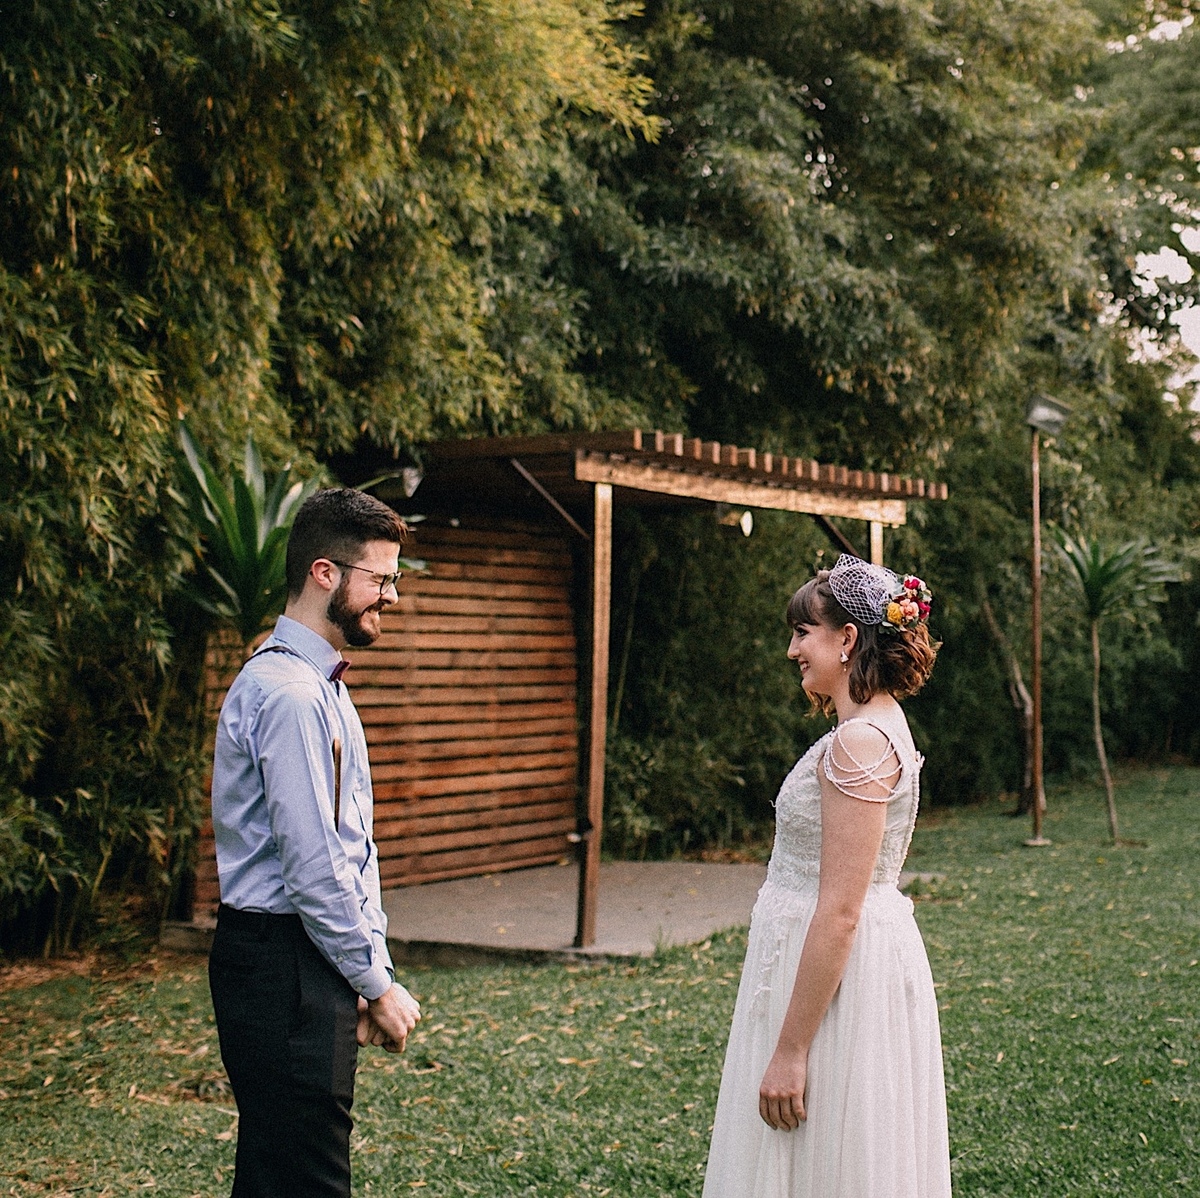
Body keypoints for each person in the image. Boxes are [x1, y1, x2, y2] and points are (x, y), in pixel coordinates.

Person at [702, 554, 950, 1197]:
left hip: (839, 980)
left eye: (803, 633)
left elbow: (841, 909)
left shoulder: (861, 741)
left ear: (846, 640)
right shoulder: (867, 727)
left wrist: (790, 1050)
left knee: (826, 1157)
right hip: (832, 964)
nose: (792, 650)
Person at [208, 487, 422, 1198]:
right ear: (326, 574)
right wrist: (377, 983)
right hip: (283, 966)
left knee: (277, 1174)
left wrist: (360, 966)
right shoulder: (293, 694)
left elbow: (349, 848)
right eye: (381, 579)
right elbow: (315, 869)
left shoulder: (318, 685)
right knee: (307, 1177)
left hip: (297, 961)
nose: (392, 596)